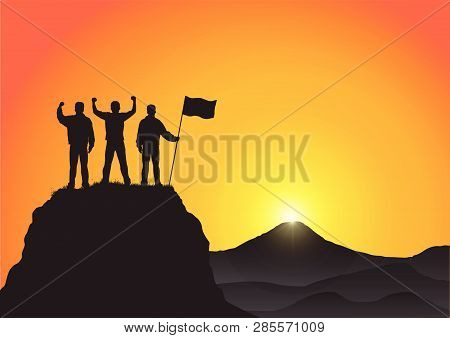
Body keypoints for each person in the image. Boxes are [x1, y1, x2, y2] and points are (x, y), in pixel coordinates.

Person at [92, 96, 136, 185]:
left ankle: (106, 180)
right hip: (117, 141)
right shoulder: (119, 116)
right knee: (120, 162)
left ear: (112, 108)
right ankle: (125, 181)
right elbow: (133, 112)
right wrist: (134, 101)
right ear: (118, 108)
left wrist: (93, 103)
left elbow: (95, 112)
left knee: (112, 162)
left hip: (113, 142)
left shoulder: (109, 116)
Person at [136, 104, 179, 185]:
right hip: (152, 146)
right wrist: (174, 139)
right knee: (152, 164)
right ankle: (153, 182)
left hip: (149, 146)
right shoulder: (155, 122)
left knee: (149, 165)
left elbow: (139, 134)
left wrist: (174, 139)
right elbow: (140, 134)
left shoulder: (145, 122)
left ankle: (147, 182)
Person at [56, 101, 95, 189]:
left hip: (77, 146)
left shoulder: (74, 120)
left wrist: (59, 108)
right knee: (80, 166)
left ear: (76, 109)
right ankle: (83, 184)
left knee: (76, 166)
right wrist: (91, 144)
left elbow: (61, 118)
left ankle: (76, 184)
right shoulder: (86, 120)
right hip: (80, 146)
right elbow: (91, 134)